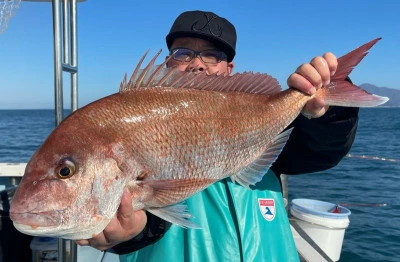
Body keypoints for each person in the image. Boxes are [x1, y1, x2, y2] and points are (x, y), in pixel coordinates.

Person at [76, 10, 358, 261]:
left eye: (213, 55)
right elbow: (141, 217)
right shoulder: (134, 126)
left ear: (229, 69)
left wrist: (324, 114)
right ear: (167, 64)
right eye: (183, 52)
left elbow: (321, 152)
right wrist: (132, 234)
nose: (198, 64)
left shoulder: (267, 125)